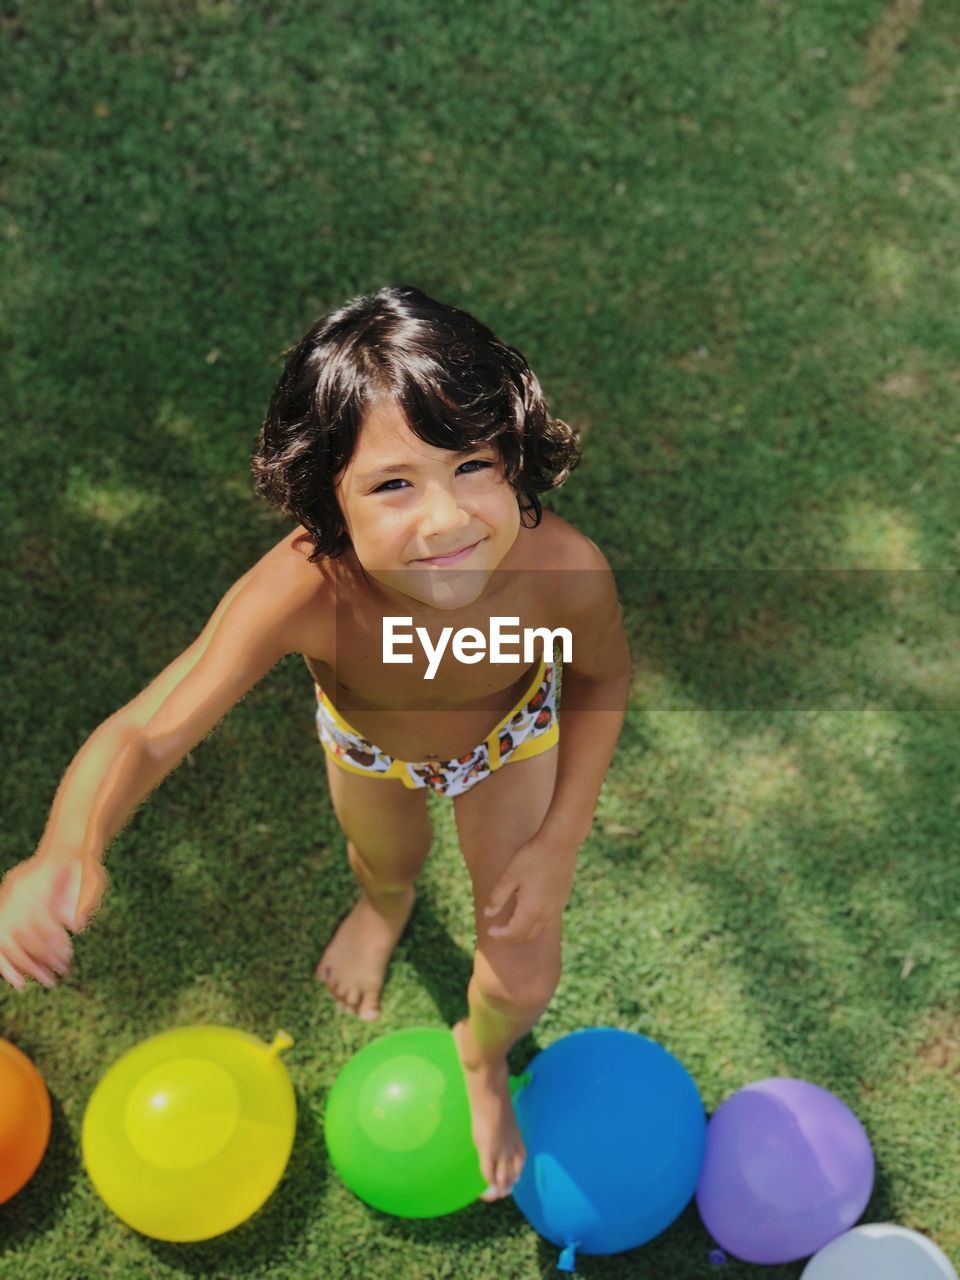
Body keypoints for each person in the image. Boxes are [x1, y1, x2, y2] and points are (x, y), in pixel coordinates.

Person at [0, 284, 631, 1201]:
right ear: (326, 501)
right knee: (387, 860)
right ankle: (384, 912)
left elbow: (605, 677)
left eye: (472, 465)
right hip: (370, 746)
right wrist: (70, 843)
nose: (447, 519)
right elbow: (149, 725)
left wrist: (558, 842)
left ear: (514, 454)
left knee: (528, 964)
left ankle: (482, 1055)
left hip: (510, 736)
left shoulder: (560, 573)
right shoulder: (305, 592)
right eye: (392, 485)